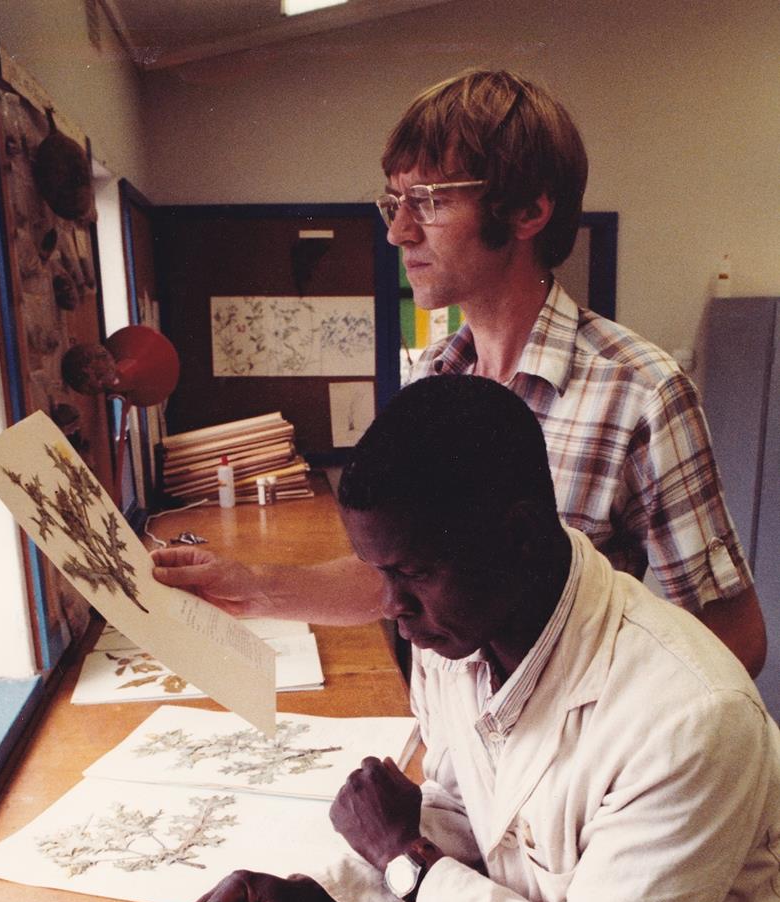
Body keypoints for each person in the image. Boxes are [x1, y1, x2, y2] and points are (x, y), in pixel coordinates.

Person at [185, 375, 780, 902]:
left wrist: (403, 858)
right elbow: (470, 813)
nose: (394, 608)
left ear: (521, 535)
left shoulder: (689, 715)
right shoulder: (457, 634)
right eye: (380, 573)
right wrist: (322, 892)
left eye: (416, 572)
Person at [152, 68, 765, 677]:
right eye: (395, 202)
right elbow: (391, 582)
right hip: (454, 752)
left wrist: (595, 749)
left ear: (528, 210)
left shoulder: (641, 393)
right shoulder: (432, 380)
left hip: (566, 756)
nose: (397, 231)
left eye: (430, 201)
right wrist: (249, 587)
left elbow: (729, 643)